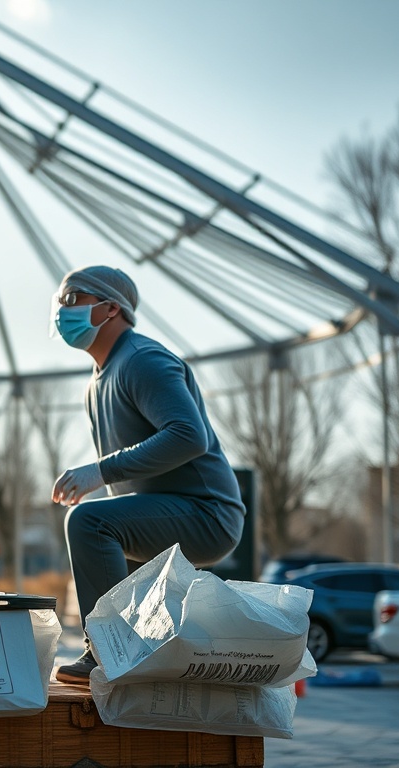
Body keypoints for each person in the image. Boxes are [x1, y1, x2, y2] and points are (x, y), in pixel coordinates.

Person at [48, 265, 244, 684]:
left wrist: (99, 471)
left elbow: (190, 436)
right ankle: (131, 650)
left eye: (72, 300)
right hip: (171, 510)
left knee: (89, 520)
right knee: (97, 525)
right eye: (59, 302)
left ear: (110, 308)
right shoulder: (97, 382)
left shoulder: (142, 360)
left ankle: (109, 651)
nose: (61, 311)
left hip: (208, 513)